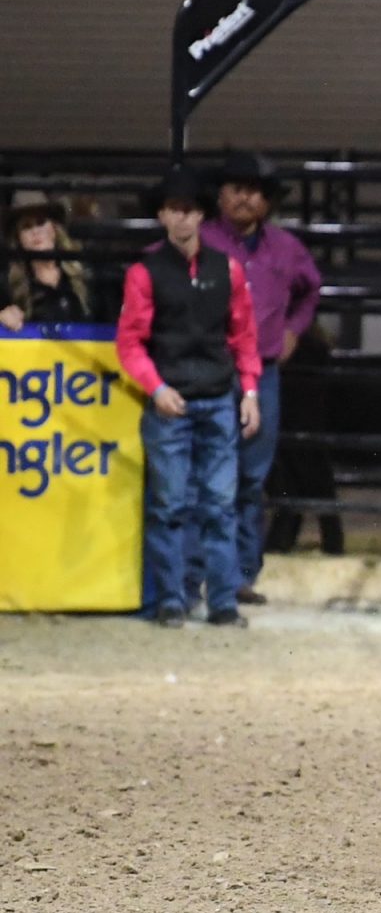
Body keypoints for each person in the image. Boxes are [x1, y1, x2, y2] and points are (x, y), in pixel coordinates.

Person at [116, 166, 263, 629]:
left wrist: (250, 390)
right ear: (163, 215)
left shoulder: (227, 270)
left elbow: (243, 335)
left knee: (214, 504)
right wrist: (156, 387)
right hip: (177, 397)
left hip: (213, 394)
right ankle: (176, 599)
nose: (183, 220)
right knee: (174, 504)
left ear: (201, 216)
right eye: (175, 211)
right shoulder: (146, 273)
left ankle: (218, 601)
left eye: (190, 211)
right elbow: (130, 341)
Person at [197, 151, 321, 606]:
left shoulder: (286, 249)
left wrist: (292, 329)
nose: (245, 198)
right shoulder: (202, 240)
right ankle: (202, 574)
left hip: (262, 369)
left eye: (254, 191)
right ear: (221, 195)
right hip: (208, 368)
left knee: (250, 476)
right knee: (206, 473)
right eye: (236, 188)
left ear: (266, 201)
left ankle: (239, 575)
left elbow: (311, 290)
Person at [2, 191, 95, 327]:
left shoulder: (86, 273)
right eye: (27, 226)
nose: (35, 231)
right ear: (19, 238)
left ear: (54, 229)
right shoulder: (8, 286)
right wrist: (2, 318)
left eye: (41, 223)